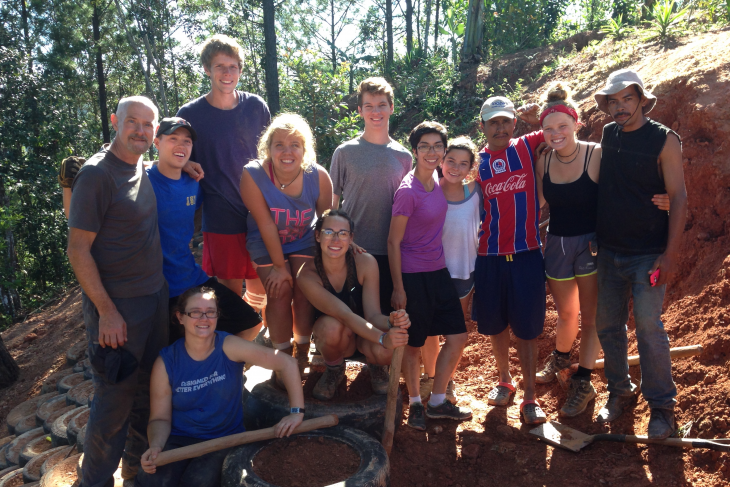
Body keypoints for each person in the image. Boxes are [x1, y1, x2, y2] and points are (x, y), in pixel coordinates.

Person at [533, 82, 671, 418]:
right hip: (557, 244)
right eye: (549, 129)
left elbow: (627, 184)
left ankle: (584, 379)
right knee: (566, 314)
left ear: (577, 123)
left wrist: (666, 198)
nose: (556, 134)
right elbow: (536, 205)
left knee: (593, 318)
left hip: (594, 245)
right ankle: (561, 357)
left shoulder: (597, 153)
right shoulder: (544, 162)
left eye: (563, 126)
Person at [67, 96, 167, 486]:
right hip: (117, 309)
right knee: (113, 404)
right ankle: (94, 481)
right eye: (133, 122)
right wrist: (106, 311)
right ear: (115, 121)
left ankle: (138, 474)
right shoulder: (97, 175)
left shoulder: (139, 165)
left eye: (148, 124)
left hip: (153, 300)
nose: (140, 130)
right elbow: (78, 250)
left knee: (148, 394)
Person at [592, 69, 687, 439]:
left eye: (627, 99)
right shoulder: (608, 134)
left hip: (648, 255)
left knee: (649, 328)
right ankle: (620, 392)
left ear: (642, 100)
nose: (620, 107)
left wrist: (671, 256)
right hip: (609, 251)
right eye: (613, 101)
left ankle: (662, 408)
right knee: (607, 326)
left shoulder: (664, 140)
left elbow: (678, 197)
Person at [136, 286, 304, 487]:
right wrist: (156, 446)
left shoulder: (229, 346)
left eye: (210, 312)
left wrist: (296, 412)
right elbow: (160, 418)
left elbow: (288, 363)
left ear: (217, 316)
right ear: (180, 317)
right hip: (180, 438)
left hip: (224, 438)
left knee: (198, 482)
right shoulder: (167, 361)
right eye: (195, 312)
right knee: (152, 480)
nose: (204, 318)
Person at [176, 34, 270, 315]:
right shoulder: (191, 113)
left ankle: (261, 338)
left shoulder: (255, 106)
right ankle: (234, 349)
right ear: (207, 69)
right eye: (220, 66)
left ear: (240, 70)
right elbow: (174, 154)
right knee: (228, 291)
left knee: (260, 283)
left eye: (233, 66)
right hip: (219, 214)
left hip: (259, 210)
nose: (227, 73)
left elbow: (271, 154)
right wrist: (183, 165)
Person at [388, 121, 472, 431]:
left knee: (458, 337)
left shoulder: (437, 180)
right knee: (414, 344)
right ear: (415, 150)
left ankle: (438, 400)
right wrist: (398, 287)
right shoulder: (408, 192)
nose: (432, 151)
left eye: (438, 146)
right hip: (413, 276)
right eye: (425, 146)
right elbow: (393, 241)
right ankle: (415, 404)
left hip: (438, 270)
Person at [148, 117, 262, 343]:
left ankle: (221, 373)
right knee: (174, 352)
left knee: (251, 324)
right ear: (156, 142)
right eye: (173, 139)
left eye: (187, 141)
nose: (181, 145)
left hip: (192, 278)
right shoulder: (143, 182)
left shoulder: (194, 182)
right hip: (158, 290)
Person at [471, 96, 548, 425]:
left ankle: (530, 395)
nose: (500, 127)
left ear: (515, 123)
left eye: (505, 121)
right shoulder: (476, 163)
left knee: (527, 328)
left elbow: (560, 120)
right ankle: (505, 380)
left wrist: (538, 109)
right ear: (482, 126)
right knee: (495, 323)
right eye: (493, 122)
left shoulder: (528, 146)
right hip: (488, 254)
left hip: (528, 252)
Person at [240, 113, 333, 381]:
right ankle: (282, 360)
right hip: (264, 241)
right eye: (279, 144)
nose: (287, 151)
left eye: (295, 144)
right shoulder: (254, 174)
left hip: (303, 238)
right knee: (279, 290)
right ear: (268, 149)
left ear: (305, 149)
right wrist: (280, 268)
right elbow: (266, 225)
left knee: (305, 290)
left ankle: (302, 351)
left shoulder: (318, 176)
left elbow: (327, 220)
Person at [297, 209, 411, 400]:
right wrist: (383, 338)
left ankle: (377, 367)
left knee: (387, 349)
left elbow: (373, 316)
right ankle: (334, 368)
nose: (336, 239)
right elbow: (344, 315)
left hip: (365, 338)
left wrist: (392, 322)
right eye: (328, 232)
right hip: (337, 338)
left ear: (351, 238)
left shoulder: (365, 263)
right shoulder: (307, 275)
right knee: (331, 326)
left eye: (342, 233)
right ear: (317, 236)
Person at [330, 77, 413, 314]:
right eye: (369, 106)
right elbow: (331, 205)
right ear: (359, 110)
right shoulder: (344, 152)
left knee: (384, 327)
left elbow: (408, 206)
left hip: (391, 253)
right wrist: (340, 242)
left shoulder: (405, 156)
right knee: (350, 325)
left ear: (391, 108)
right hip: (352, 251)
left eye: (381, 105)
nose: (375, 112)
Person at [420, 137, 482, 405]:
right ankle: (432, 378)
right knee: (431, 332)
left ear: (471, 168)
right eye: (451, 161)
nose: (456, 168)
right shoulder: (427, 191)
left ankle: (446, 381)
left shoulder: (476, 192)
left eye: (463, 163)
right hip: (433, 272)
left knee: (456, 332)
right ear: (441, 161)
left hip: (463, 272)